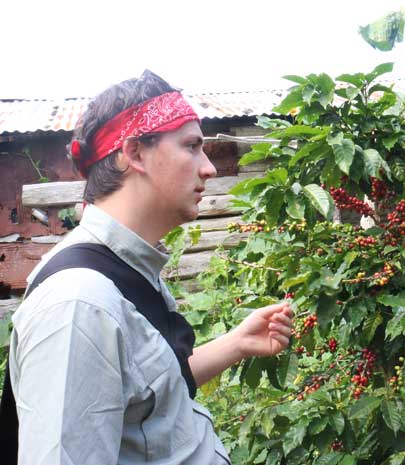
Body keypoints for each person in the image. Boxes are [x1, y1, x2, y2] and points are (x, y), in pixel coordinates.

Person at [5, 70, 294, 464]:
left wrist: (237, 344)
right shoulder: (78, 304)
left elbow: (149, 392)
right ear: (135, 153)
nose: (208, 168)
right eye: (192, 146)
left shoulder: (121, 270)